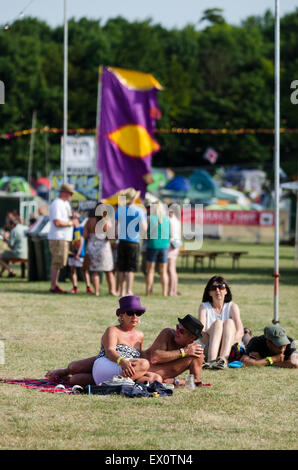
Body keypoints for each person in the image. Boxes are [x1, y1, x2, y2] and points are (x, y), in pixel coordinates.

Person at [45, 311, 205, 387]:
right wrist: (184, 352)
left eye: (182, 331)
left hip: (138, 376)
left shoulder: (196, 354)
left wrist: (175, 381)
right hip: (130, 362)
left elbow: (195, 382)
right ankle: (63, 371)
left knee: (76, 380)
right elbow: (155, 358)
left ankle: (68, 379)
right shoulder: (167, 334)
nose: (177, 331)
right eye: (178, 326)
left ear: (192, 338)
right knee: (74, 367)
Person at [46, 296, 162, 386]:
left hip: (122, 371)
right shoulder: (113, 330)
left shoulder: (140, 335)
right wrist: (122, 361)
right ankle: (112, 384)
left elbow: (138, 356)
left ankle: (109, 384)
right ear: (121, 315)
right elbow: (110, 351)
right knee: (144, 364)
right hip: (108, 364)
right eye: (130, 313)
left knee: (156, 378)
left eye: (138, 313)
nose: (135, 316)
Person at [198, 275, 244, 370]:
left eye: (221, 287)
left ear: (226, 291)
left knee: (230, 323)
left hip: (229, 348)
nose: (217, 290)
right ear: (209, 292)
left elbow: (240, 332)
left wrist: (226, 344)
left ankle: (223, 360)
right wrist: (217, 345)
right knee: (218, 323)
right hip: (209, 346)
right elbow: (200, 333)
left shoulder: (232, 306)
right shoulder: (204, 307)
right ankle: (211, 361)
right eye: (213, 288)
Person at [115, 188, 147, 297]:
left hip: (122, 241)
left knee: (121, 267)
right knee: (130, 268)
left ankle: (120, 290)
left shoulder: (120, 210)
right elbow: (144, 228)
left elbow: (115, 226)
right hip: (133, 241)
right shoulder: (139, 211)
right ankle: (128, 290)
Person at [82, 203, 116, 297]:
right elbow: (110, 236)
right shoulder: (106, 221)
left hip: (92, 246)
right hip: (103, 247)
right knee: (108, 270)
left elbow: (84, 235)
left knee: (95, 271)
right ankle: (112, 290)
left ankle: (96, 291)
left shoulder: (89, 221)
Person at [48, 183, 74, 294]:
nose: (71, 196)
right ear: (64, 193)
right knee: (57, 262)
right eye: (70, 193)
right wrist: (71, 222)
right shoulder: (57, 204)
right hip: (58, 237)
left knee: (59, 262)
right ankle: (53, 286)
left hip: (63, 237)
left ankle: (55, 285)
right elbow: (57, 222)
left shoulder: (65, 203)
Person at [146, 201, 171, 297]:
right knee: (163, 271)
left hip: (152, 245)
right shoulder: (167, 219)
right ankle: (164, 292)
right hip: (164, 246)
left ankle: (148, 292)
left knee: (150, 271)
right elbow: (170, 234)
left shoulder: (150, 219)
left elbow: (145, 233)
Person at [68, 212, 88, 294]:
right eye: (71, 218)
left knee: (84, 270)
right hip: (72, 254)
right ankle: (75, 287)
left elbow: (82, 241)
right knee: (72, 270)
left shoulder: (82, 229)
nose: (72, 220)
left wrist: (78, 253)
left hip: (80, 254)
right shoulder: (70, 230)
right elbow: (69, 242)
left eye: (74, 218)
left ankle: (88, 287)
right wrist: (72, 252)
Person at [167, 205, 182, 296]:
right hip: (176, 245)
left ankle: (172, 291)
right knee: (173, 269)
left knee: (171, 269)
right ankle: (174, 289)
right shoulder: (177, 220)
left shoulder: (170, 220)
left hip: (171, 245)